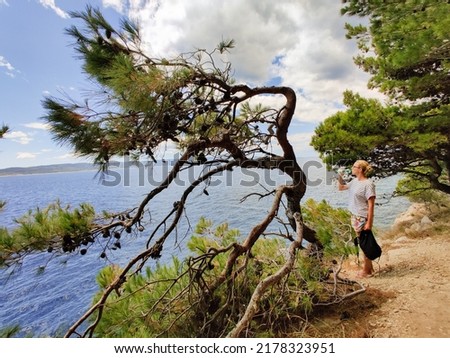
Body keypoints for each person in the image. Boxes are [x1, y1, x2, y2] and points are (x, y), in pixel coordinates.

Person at [338, 160, 376, 277]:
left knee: (363, 244)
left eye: (354, 166)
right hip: (355, 216)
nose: (352, 168)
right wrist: (339, 176)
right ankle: (369, 268)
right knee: (363, 242)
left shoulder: (368, 184)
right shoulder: (354, 182)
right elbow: (341, 188)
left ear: (360, 169)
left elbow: (371, 205)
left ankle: (366, 271)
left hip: (362, 217)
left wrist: (369, 223)